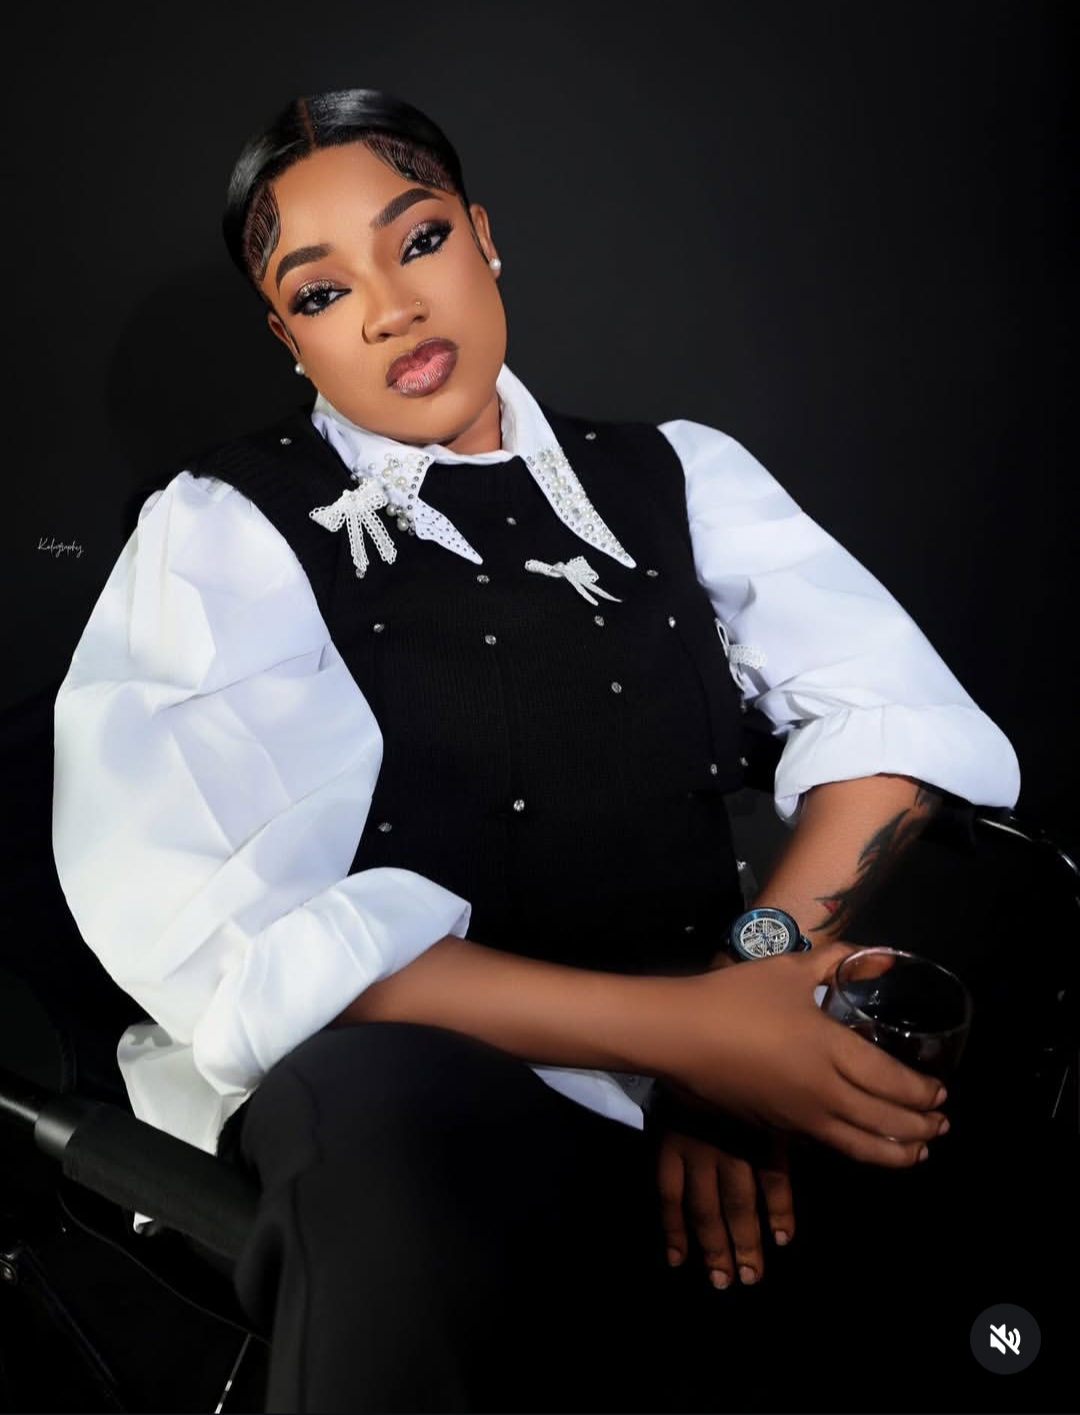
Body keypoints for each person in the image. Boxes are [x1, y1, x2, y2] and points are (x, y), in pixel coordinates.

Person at [52, 88, 1020, 1413]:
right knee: (376, 1137)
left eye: (420, 240)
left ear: (485, 236)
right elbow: (255, 945)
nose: (391, 309)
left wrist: (750, 1004)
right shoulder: (225, 531)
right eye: (323, 292)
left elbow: (890, 728)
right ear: (287, 337)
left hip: (730, 1030)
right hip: (424, 1080)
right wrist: (690, 1040)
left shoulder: (681, 475)